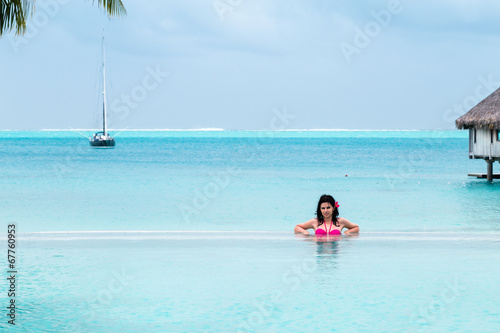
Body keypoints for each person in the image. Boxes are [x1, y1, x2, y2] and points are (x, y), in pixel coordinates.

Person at [294, 194, 359, 236]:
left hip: (334, 253)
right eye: (323, 208)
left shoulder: (340, 221)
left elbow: (356, 227)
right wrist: (306, 233)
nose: (325, 211)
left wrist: (347, 233)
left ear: (333, 208)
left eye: (328, 208)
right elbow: (297, 227)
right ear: (320, 209)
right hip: (320, 253)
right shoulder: (315, 222)